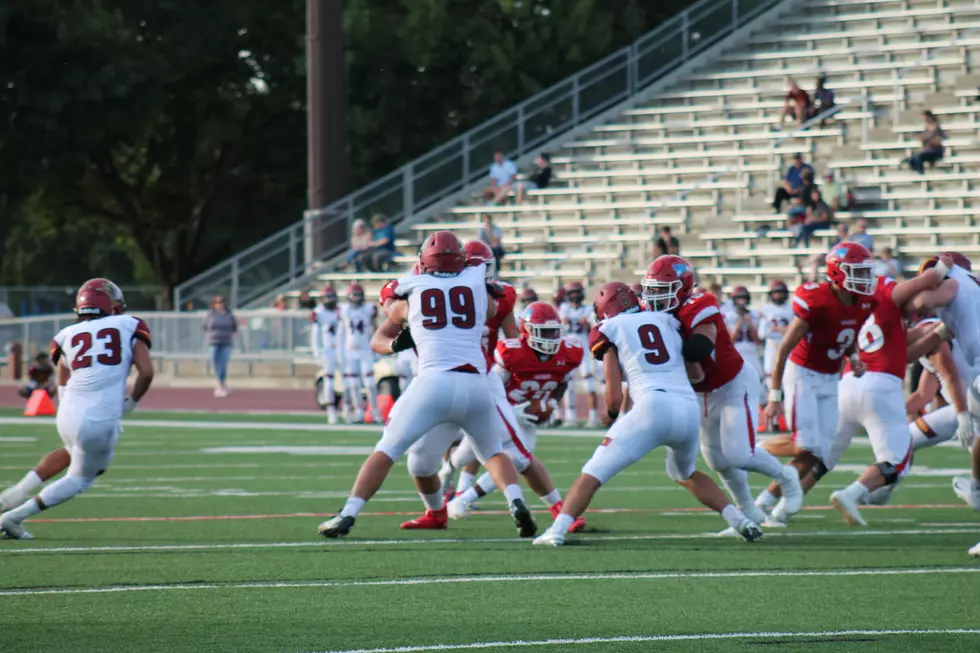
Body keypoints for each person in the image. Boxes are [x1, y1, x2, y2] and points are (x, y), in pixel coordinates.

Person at [317, 231, 536, 540]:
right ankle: (516, 503)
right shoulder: (478, 281)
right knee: (493, 452)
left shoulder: (413, 286)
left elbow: (390, 301)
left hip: (433, 382)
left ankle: (349, 512)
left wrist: (401, 315)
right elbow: (493, 302)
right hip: (476, 384)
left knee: (387, 449)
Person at [533, 282, 763, 546]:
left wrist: (610, 412)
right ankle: (740, 520)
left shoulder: (608, 328)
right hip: (688, 408)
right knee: (684, 473)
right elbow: (697, 374)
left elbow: (614, 394)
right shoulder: (667, 321)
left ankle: (557, 531)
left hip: (652, 405)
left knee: (593, 472)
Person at [642, 260, 803, 533]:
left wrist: (667, 336)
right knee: (717, 461)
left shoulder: (700, 304)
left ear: (682, 289)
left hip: (732, 384)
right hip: (700, 392)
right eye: (652, 290)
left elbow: (699, 348)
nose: (655, 298)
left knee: (739, 454)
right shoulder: (652, 312)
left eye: (663, 290)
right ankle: (748, 509)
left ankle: (786, 477)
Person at [0, 279, 154, 539]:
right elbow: (146, 372)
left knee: (73, 450)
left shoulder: (65, 335)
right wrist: (132, 402)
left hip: (68, 411)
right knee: (81, 477)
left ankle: (11, 497)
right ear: (108, 304)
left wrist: (68, 410)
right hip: (99, 416)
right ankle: (12, 517)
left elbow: (62, 378)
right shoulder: (129, 324)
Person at [758, 243, 883, 524]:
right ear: (837, 273)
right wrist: (775, 395)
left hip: (830, 377)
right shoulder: (817, 299)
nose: (864, 277)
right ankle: (752, 449)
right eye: (857, 271)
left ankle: (766, 503)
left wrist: (854, 357)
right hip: (802, 373)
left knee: (819, 453)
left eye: (866, 271)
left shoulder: (865, 302)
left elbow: (847, 334)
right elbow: (784, 348)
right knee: (805, 447)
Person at [822, 269, 949, 526]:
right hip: (954, 402)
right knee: (898, 458)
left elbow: (925, 383)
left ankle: (771, 505)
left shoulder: (875, 317)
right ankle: (860, 492)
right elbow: (936, 379)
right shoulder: (923, 326)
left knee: (820, 457)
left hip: (852, 383)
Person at [446, 302, 587, 532]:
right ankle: (559, 511)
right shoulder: (512, 352)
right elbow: (492, 390)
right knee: (507, 460)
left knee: (518, 462)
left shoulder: (570, 352)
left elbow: (561, 383)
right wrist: (517, 412)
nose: (550, 338)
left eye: (554, 332)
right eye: (544, 332)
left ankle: (461, 498)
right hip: (503, 412)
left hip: (528, 418)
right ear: (527, 331)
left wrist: (549, 404)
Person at [908, 252, 980, 556]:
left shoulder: (954, 282)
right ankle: (975, 486)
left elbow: (922, 302)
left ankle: (975, 487)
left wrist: (907, 295)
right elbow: (919, 348)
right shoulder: (968, 296)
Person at [559, 282, 599, 427]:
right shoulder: (564, 308)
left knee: (589, 384)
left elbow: (593, 329)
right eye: (573, 292)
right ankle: (571, 417)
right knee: (568, 385)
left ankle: (593, 417)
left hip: (584, 351)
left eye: (577, 292)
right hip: (568, 351)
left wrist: (586, 324)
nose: (575, 295)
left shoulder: (588, 309)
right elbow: (561, 326)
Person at [338, 283, 378, 423]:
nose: (357, 298)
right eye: (354, 295)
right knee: (354, 384)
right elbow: (341, 333)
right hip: (350, 352)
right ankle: (359, 411)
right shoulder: (344, 310)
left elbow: (374, 328)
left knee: (370, 383)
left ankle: (374, 411)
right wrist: (340, 352)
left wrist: (376, 349)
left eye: (359, 295)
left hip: (365, 350)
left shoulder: (368, 309)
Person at [758, 280, 793, 427]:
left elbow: (795, 331)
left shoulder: (792, 309)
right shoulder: (766, 309)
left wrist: (777, 330)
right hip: (772, 348)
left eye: (780, 292)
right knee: (769, 382)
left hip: (789, 347)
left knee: (789, 381)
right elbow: (762, 333)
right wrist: (785, 330)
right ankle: (771, 420)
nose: (778, 295)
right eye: (775, 292)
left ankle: (785, 420)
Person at [311, 285, 342, 424]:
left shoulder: (342, 310)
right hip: (328, 350)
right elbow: (315, 335)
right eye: (327, 297)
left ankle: (349, 409)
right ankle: (331, 411)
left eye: (332, 297)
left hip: (343, 350)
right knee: (329, 382)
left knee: (349, 382)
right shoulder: (319, 312)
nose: (330, 300)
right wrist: (317, 352)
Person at [203, 295, 237, 398]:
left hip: (226, 341)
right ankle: (220, 384)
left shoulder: (229, 315)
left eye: (221, 302)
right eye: (217, 303)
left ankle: (221, 383)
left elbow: (234, 326)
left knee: (223, 363)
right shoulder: (210, 315)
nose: (220, 304)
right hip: (213, 342)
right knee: (216, 362)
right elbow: (204, 326)